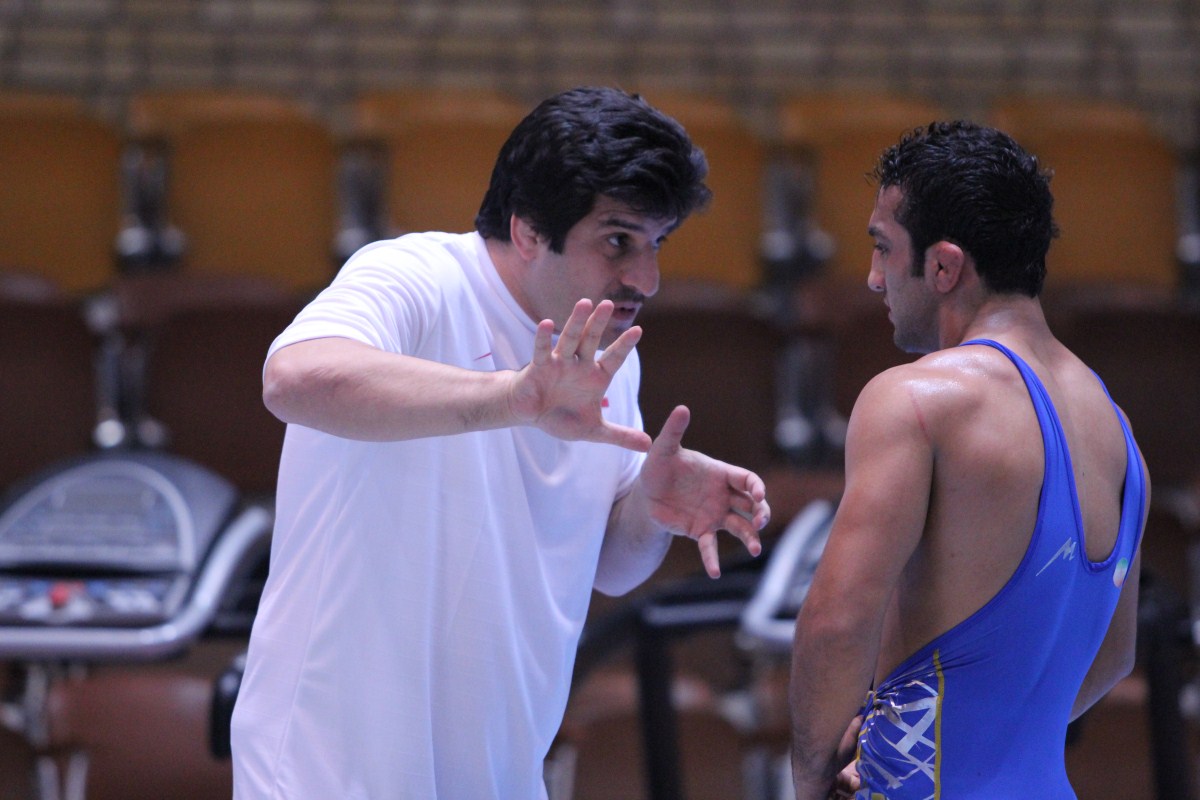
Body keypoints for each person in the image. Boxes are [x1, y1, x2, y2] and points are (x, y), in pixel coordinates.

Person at [230, 86, 771, 800]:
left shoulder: (613, 352)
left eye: (656, 244)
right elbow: (292, 379)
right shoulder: (415, 275)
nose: (647, 278)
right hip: (324, 773)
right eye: (618, 241)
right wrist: (514, 398)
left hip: (499, 775)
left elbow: (612, 566)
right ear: (527, 230)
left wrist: (649, 507)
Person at [788, 120, 1149, 799]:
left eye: (883, 248)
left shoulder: (918, 402)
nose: (873, 278)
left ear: (944, 266)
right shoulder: (1117, 430)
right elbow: (1113, 656)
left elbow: (837, 623)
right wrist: (991, 740)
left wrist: (814, 781)